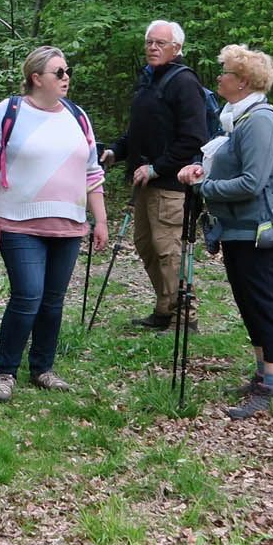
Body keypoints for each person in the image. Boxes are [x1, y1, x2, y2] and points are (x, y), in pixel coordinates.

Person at [0, 46, 109, 403]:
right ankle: (5, 372)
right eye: (58, 72)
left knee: (53, 301)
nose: (66, 78)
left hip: (69, 226)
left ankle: (42, 368)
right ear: (36, 78)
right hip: (17, 224)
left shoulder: (77, 116)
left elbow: (92, 172)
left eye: (67, 71)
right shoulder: (8, 112)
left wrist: (101, 219)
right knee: (28, 296)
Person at [177, 45, 273, 420]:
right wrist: (204, 172)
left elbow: (253, 183)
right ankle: (262, 379)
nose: (219, 77)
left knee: (264, 304)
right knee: (249, 303)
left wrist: (204, 188)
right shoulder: (238, 119)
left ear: (243, 81)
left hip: (256, 230)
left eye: (225, 72)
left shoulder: (259, 121)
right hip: (238, 229)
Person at [100, 20, 208, 330]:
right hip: (145, 182)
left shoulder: (184, 82)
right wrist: (116, 152)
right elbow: (139, 131)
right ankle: (164, 309)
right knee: (147, 246)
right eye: (149, 42)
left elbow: (194, 138)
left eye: (160, 43)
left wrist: (157, 167)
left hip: (172, 185)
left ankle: (185, 317)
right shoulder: (148, 79)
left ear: (177, 48)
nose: (153, 47)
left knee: (169, 251)